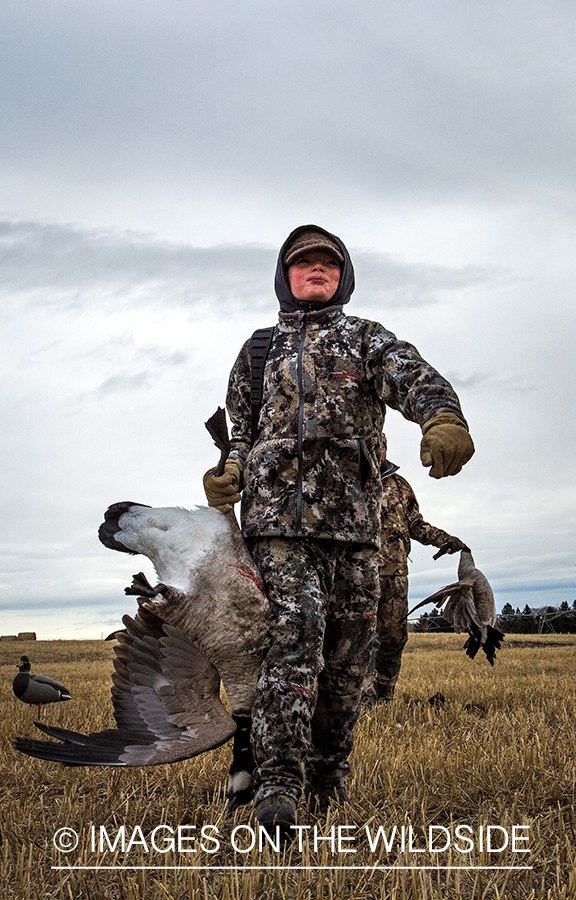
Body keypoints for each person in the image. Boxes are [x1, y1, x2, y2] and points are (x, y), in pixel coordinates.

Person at [203, 225, 474, 834]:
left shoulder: (366, 338)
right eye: (304, 264)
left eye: (328, 264)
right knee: (294, 636)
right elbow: (240, 431)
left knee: (349, 658)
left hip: (357, 528)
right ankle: (278, 781)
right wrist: (227, 472)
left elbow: (414, 376)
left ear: (342, 277)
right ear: (286, 277)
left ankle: (328, 780)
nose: (316, 271)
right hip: (276, 528)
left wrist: (443, 416)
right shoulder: (258, 350)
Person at [362, 434, 467, 708]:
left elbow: (416, 524)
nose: (377, 450)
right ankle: (362, 700)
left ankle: (384, 696)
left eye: (381, 445)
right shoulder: (349, 482)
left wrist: (444, 539)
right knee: (361, 638)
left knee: (394, 638)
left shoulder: (400, 487)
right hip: (359, 576)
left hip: (396, 579)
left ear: (385, 448)